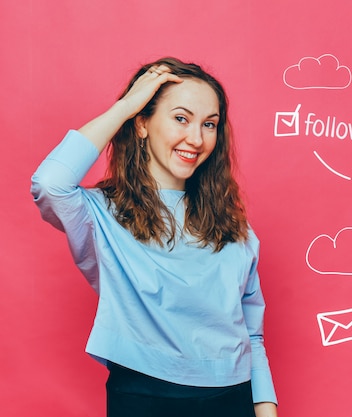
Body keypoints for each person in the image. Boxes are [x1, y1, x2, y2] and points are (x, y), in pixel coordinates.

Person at [31, 57, 278, 417]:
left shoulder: (233, 226)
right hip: (143, 395)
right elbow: (50, 183)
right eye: (181, 118)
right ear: (143, 124)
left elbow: (252, 335)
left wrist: (267, 411)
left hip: (233, 396)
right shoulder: (100, 214)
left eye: (209, 124)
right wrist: (127, 107)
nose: (196, 138)